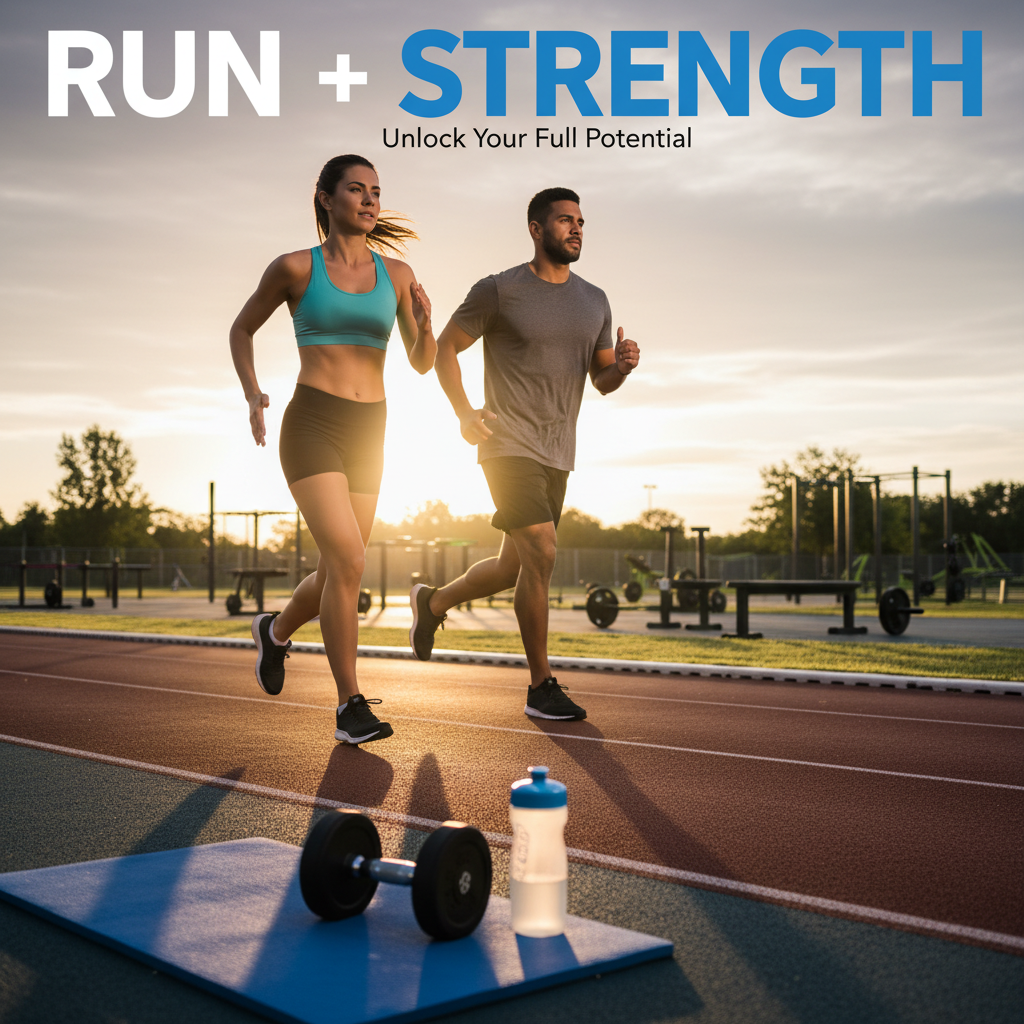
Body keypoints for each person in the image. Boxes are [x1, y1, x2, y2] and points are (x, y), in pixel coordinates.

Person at [410, 187, 639, 720]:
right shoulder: (499, 290)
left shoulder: (595, 300)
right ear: (536, 229)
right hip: (506, 442)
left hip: (558, 451)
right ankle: (541, 687)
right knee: (542, 549)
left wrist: (622, 367)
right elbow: (446, 348)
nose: (576, 229)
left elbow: (601, 380)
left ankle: (433, 601)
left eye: (581, 221)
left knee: (514, 566)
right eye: (564, 221)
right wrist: (466, 413)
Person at [229, 154, 435, 743]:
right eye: (356, 189)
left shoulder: (396, 274)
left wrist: (425, 320)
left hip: (371, 427)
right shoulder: (295, 268)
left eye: (376, 191)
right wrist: (253, 393)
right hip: (312, 421)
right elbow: (241, 328)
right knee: (348, 559)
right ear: (325, 198)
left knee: (337, 566)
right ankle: (349, 703)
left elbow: (421, 362)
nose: (370, 200)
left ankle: (274, 631)